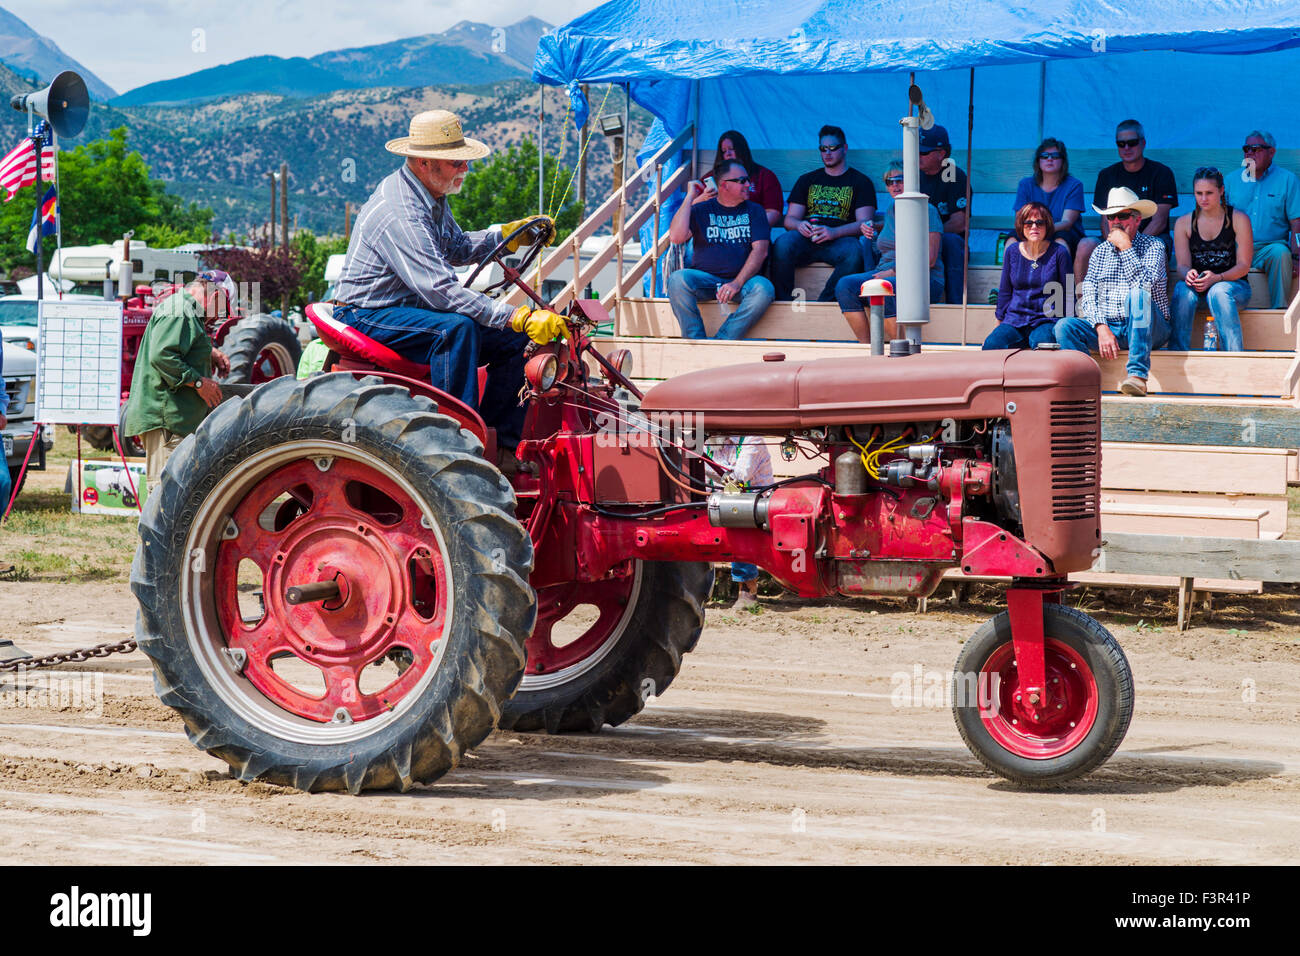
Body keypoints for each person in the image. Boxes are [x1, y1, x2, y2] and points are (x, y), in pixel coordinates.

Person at [332, 109, 563, 460]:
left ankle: (500, 445)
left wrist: (507, 236)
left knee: (519, 340)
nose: (464, 169)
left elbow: (455, 248)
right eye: (457, 162)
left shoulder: (431, 197)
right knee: (455, 330)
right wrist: (516, 315)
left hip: (405, 307)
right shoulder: (401, 211)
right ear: (425, 162)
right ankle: (457, 445)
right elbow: (441, 290)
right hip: (367, 312)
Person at [122, 271, 235, 493]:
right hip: (166, 419)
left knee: (175, 494)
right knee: (166, 493)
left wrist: (209, 353)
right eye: (221, 309)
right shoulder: (181, 310)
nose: (216, 317)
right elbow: (162, 356)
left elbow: (177, 345)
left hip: (173, 419)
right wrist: (200, 383)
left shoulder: (184, 309)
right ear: (215, 296)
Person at [1055, 187, 1171, 396]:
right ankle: (1085, 383)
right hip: (1111, 327)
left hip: (1150, 327)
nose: (1116, 221)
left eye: (1123, 215)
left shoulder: (1155, 246)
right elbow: (1088, 294)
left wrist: (1126, 248)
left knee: (1137, 295)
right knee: (1064, 326)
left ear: (1137, 220)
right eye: (1111, 216)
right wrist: (1100, 326)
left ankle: (1137, 376)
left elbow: (1146, 287)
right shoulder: (1099, 251)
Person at [834, 160, 944, 344]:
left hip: (924, 278)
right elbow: (893, 233)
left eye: (900, 180)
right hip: (886, 271)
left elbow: (930, 260)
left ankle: (899, 349)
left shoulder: (927, 210)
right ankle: (868, 348)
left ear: (911, 181)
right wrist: (872, 227)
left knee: (887, 287)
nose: (894, 185)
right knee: (845, 285)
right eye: (889, 181)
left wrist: (893, 272)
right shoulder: (892, 210)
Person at [666, 159, 775, 339]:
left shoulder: (755, 210)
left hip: (742, 283)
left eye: (748, 180)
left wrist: (736, 283)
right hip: (706, 281)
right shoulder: (701, 209)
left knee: (764, 288)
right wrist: (689, 198)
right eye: (742, 181)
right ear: (724, 185)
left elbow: (760, 251)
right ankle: (695, 341)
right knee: (677, 280)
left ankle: (722, 340)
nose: (748, 184)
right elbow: (676, 237)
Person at [771, 124, 876, 301]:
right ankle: (784, 302)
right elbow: (789, 220)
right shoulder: (807, 180)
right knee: (782, 244)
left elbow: (864, 224)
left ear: (845, 148)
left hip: (840, 240)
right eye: (823, 148)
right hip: (807, 238)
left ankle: (825, 303)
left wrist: (834, 232)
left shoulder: (860, 182)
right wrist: (799, 225)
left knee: (854, 252)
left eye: (833, 148)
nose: (827, 153)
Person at [1075, 119, 1177, 282]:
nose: (1127, 148)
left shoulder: (1161, 173)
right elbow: (1104, 220)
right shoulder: (1106, 175)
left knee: (1159, 249)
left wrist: (1131, 246)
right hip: (1114, 237)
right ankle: (1081, 303)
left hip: (1150, 236)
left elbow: (1159, 221)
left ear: (1143, 143)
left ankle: (1157, 305)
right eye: (1121, 144)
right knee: (1085, 245)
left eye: (1132, 142)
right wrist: (1114, 245)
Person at [1171, 167, 1254, 351]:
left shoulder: (1238, 219)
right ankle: (1176, 354)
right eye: (1198, 193)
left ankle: (1233, 357)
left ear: (1221, 190)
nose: (1203, 199)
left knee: (1218, 291)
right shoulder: (1184, 223)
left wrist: (1217, 278)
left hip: (1234, 287)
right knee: (1182, 289)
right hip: (1199, 288)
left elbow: (1244, 266)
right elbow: (1182, 266)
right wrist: (1189, 274)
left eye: (1209, 193)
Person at [1226, 130, 1300, 308]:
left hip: (1269, 248)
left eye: (1256, 149)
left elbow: (1297, 223)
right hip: (1236, 249)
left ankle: (1279, 310)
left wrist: (1297, 257)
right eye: (1247, 149)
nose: (1249, 153)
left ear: (1271, 152)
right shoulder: (1231, 181)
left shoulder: (1287, 180)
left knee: (1281, 252)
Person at [984, 202, 1073, 350]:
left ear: (1048, 225)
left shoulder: (1060, 253)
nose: (1034, 227)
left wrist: (1065, 327)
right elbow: (1005, 292)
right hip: (1014, 320)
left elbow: (1069, 293)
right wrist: (997, 327)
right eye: (1028, 222)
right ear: (1021, 225)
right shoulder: (1012, 251)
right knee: (992, 344)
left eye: (1040, 222)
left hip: (1046, 320)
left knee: (1043, 346)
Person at [704, 433, 774, 610]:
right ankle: (703, 589)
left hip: (756, 505)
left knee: (738, 517)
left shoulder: (752, 440)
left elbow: (739, 478)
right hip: (720, 502)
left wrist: (700, 462)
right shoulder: (708, 443)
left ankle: (748, 591)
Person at [918, 124, 971, 305]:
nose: (917, 156)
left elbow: (960, 223)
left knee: (952, 241)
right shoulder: (911, 175)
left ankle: (956, 305)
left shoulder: (955, 175)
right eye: (916, 150)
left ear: (941, 153)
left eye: (923, 152)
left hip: (944, 242)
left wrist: (931, 235)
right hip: (915, 241)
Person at [1012, 138, 1085, 257]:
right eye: (1044, 156)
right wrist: (1035, 232)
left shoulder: (1074, 185)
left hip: (1065, 234)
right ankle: (1009, 276)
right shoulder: (1025, 184)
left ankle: (1067, 276)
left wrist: (1040, 231)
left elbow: (1066, 223)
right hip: (1032, 232)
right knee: (1012, 240)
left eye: (1055, 156)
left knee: (1060, 242)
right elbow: (1020, 220)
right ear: (1038, 161)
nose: (1049, 159)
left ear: (1063, 161)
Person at [716, 129, 783, 227]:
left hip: (753, 232)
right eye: (724, 151)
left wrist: (754, 229)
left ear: (742, 150)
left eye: (732, 149)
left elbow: (773, 212)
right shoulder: (713, 176)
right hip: (718, 233)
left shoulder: (764, 176)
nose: (728, 154)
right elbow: (695, 208)